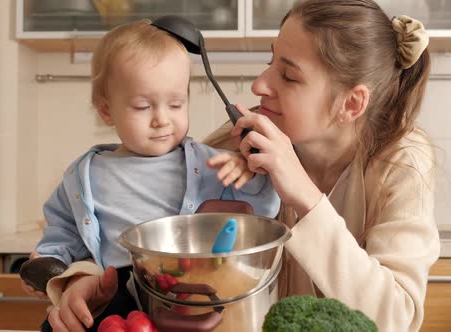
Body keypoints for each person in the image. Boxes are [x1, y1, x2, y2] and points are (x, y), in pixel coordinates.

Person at [39, 1, 440, 331]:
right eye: (271, 61)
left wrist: (302, 192)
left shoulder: (401, 159)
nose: (260, 84)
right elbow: (131, 222)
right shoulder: (239, 141)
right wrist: (81, 278)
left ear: (351, 104)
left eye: (288, 75)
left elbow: (396, 317)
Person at [22, 19, 280, 332]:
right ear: (106, 110)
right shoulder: (84, 177)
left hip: (189, 297)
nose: (162, 120)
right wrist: (50, 262)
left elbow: (264, 213)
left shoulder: (212, 165)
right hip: (114, 293)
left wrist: (250, 176)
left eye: (176, 104)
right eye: (143, 106)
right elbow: (63, 233)